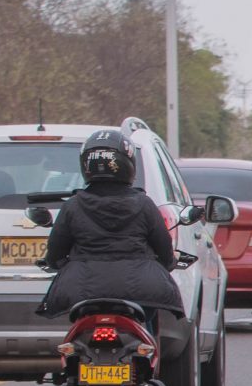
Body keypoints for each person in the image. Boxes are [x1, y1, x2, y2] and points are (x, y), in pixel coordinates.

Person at [37, 127, 185, 328]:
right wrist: (169, 262)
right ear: (129, 163)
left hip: (81, 289)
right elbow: (164, 250)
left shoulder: (73, 205)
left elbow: (55, 253)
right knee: (146, 325)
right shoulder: (144, 204)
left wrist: (60, 264)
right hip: (141, 289)